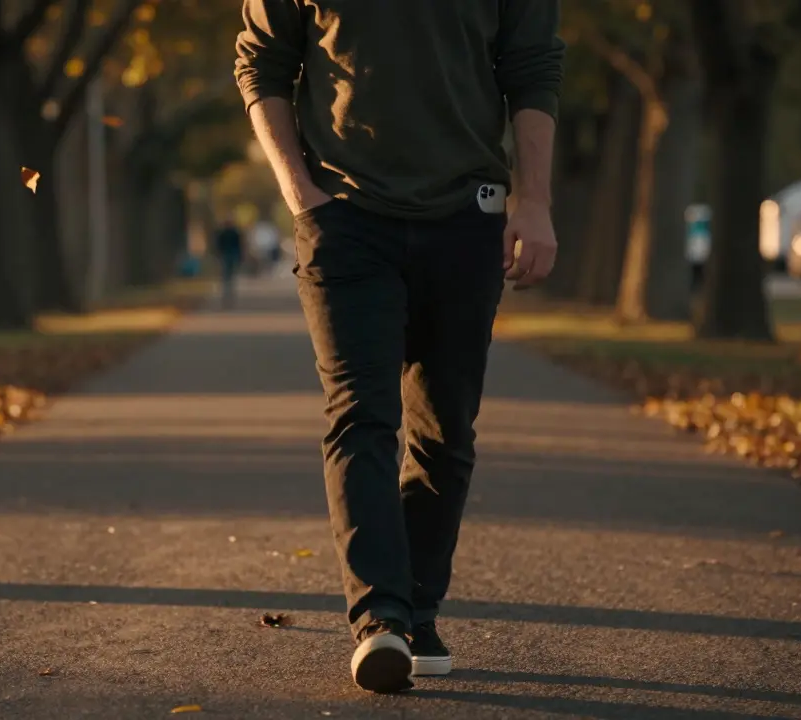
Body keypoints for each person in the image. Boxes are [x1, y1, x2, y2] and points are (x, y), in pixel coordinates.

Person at [234, 0, 564, 694]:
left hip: (467, 216)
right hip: (346, 219)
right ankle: (378, 618)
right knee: (362, 414)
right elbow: (261, 63)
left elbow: (531, 69)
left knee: (446, 431)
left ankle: (417, 607)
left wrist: (532, 202)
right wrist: (300, 194)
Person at [213, 220, 245, 308]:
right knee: (229, 274)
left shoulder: (225, 233)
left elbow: (219, 245)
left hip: (228, 255)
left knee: (227, 274)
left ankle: (227, 291)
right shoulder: (233, 233)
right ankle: (228, 291)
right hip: (229, 255)